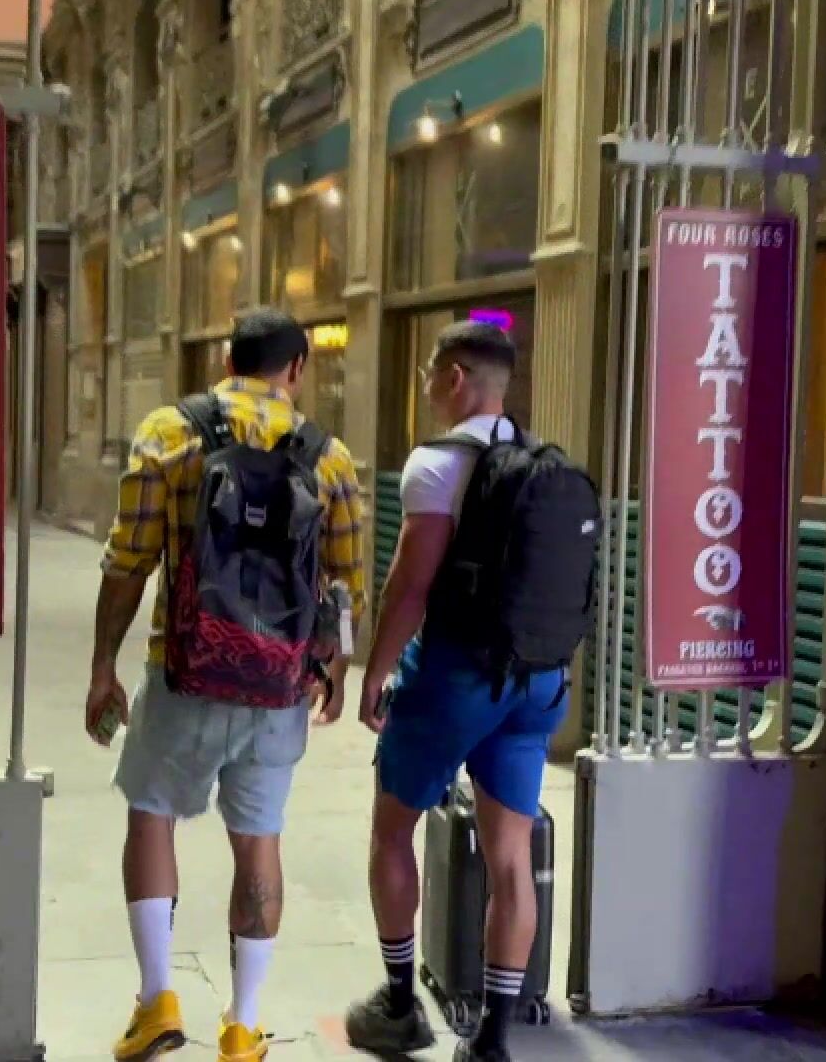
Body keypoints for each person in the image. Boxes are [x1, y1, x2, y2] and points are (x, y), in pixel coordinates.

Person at [87, 308, 367, 1062]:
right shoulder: (329, 457)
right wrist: (333, 669)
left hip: (184, 673)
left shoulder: (168, 433)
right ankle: (242, 1026)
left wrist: (102, 666)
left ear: (225, 359)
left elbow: (127, 561)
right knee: (260, 843)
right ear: (297, 368)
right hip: (277, 687)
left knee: (152, 817)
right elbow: (347, 584)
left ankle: (157, 1002)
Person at [345, 321, 573, 1062]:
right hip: (536, 679)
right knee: (511, 857)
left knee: (391, 831)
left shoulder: (438, 463)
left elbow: (410, 586)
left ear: (454, 378)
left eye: (428, 376)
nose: (426, 389)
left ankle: (399, 1005)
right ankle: (492, 1041)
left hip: (455, 677)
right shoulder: (542, 461)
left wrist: (376, 670)